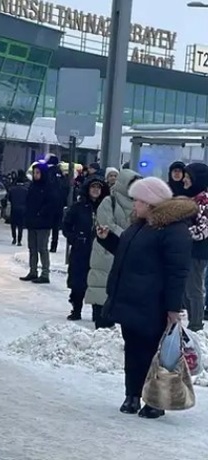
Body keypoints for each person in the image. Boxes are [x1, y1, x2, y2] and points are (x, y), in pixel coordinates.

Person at [96, 177, 196, 419]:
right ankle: (132, 395)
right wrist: (107, 238)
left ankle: (155, 401)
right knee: (133, 349)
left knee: (154, 354)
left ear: (151, 203)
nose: (134, 204)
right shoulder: (140, 225)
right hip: (131, 299)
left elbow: (177, 272)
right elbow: (127, 253)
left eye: (138, 200)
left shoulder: (174, 230)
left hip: (154, 303)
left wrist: (173, 308)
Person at [85, 168, 142, 329]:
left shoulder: (140, 205)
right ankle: (101, 322)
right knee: (101, 285)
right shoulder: (109, 201)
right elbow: (106, 224)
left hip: (127, 252)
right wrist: (129, 236)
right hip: (106, 250)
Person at [63, 177, 110, 320]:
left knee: (98, 282)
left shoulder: (106, 208)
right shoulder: (78, 207)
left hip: (100, 250)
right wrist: (74, 239)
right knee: (78, 281)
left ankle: (98, 312)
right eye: (93, 187)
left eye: (98, 188)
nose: (96, 190)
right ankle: (76, 309)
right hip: (81, 250)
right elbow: (66, 225)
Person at [181, 162, 208, 331]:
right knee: (188, 287)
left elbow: (203, 229)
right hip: (190, 249)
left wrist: (182, 232)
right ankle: (193, 321)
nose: (184, 179)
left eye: (188, 176)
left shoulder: (203, 200)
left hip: (198, 251)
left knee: (194, 288)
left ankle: (196, 325)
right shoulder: (193, 198)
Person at [20, 162, 55, 284]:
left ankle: (45, 273)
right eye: (34, 173)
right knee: (32, 248)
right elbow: (28, 203)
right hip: (32, 223)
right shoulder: (32, 186)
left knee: (42, 248)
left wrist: (41, 213)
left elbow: (51, 204)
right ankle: (33, 271)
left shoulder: (49, 187)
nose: (35, 175)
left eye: (38, 172)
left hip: (43, 224)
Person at [7, 170, 29, 246]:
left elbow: (9, 198)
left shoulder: (12, 189)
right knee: (20, 226)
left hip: (14, 209)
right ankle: (19, 240)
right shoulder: (26, 190)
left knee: (13, 225)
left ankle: (14, 238)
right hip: (23, 209)